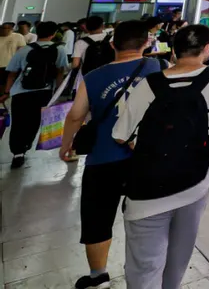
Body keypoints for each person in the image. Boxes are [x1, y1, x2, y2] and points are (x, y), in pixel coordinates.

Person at [112, 25, 209, 289]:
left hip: (147, 188)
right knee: (179, 253)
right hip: (196, 181)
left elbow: (121, 136)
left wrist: (154, 148)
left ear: (173, 50)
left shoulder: (149, 84)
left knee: (144, 264)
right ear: (208, 49)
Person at [60, 20, 162, 289]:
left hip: (102, 158)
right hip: (147, 158)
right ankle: (147, 272)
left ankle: (98, 276)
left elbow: (76, 115)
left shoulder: (94, 76)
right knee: (148, 217)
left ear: (113, 44)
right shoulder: (159, 68)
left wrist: (66, 144)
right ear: (147, 43)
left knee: (97, 218)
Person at [2, 21, 69, 167]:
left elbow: (12, 74)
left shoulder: (25, 50)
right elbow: (60, 73)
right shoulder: (59, 49)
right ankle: (26, 146)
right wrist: (57, 93)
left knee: (19, 122)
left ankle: (17, 153)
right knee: (34, 122)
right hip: (45, 92)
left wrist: (6, 92)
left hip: (21, 92)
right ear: (53, 34)